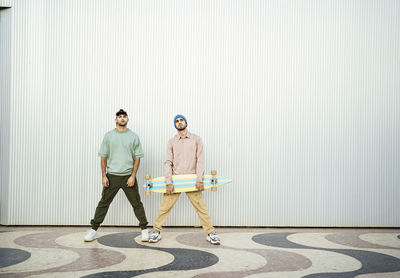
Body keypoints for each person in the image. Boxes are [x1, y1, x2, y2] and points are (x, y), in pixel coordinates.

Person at [148, 114, 220, 245]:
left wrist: (199, 179)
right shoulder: (171, 142)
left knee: (201, 208)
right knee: (165, 207)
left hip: (192, 180)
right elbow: (168, 162)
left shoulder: (197, 139)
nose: (179, 122)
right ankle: (156, 231)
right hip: (175, 181)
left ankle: (210, 233)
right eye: (176, 121)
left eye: (181, 120)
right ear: (174, 125)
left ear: (186, 122)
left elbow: (200, 160)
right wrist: (168, 182)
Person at [84, 109, 149, 242]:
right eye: (119, 117)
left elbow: (137, 158)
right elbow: (103, 157)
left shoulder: (133, 136)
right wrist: (104, 175)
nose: (122, 119)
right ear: (116, 120)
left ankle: (144, 230)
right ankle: (93, 230)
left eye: (124, 116)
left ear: (128, 119)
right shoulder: (108, 136)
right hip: (112, 176)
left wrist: (133, 176)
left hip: (128, 177)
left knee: (136, 203)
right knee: (103, 203)